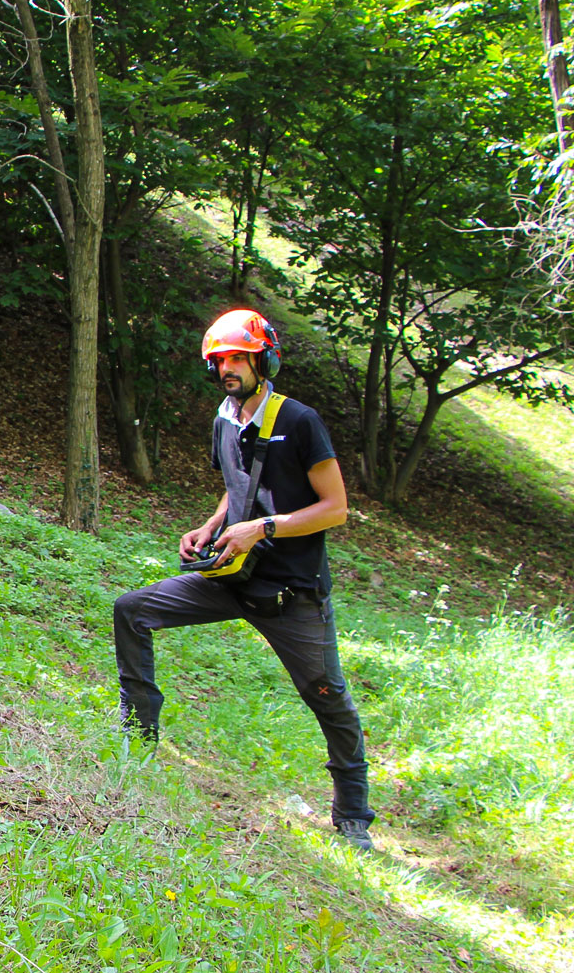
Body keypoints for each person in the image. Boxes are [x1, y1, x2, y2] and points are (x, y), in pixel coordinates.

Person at [112, 308, 376, 850]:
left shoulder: (300, 421)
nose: (228, 369)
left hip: (291, 592)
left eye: (238, 358)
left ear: (263, 359)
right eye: (220, 361)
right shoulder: (225, 420)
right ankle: (139, 743)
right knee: (132, 609)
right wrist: (209, 526)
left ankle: (353, 816)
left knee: (328, 696)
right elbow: (239, 485)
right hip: (230, 574)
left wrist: (266, 527)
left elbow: (336, 508)